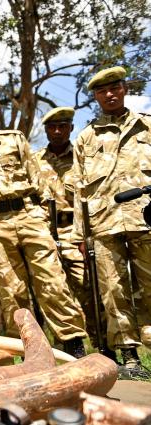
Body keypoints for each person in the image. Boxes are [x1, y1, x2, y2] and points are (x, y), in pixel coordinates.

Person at [0, 96, 88, 354]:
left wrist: (42, 216)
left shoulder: (13, 140)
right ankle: (31, 350)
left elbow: (39, 179)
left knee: (52, 280)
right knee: (12, 291)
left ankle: (72, 344)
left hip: (29, 216)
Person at [72, 66, 151, 373]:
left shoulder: (146, 127)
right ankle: (130, 357)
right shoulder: (86, 138)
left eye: (115, 87)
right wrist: (81, 235)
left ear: (124, 88)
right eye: (102, 91)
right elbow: (79, 189)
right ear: (95, 97)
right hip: (104, 225)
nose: (109, 94)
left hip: (145, 219)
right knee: (113, 291)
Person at [35, 107, 98, 356]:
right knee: (52, 291)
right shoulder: (35, 161)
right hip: (44, 231)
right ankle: (69, 349)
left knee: (88, 288)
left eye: (63, 126)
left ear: (71, 128)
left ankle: (104, 348)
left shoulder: (83, 157)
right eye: (52, 127)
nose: (58, 131)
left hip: (78, 230)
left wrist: (86, 235)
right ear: (47, 130)